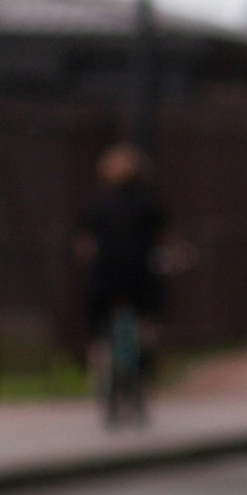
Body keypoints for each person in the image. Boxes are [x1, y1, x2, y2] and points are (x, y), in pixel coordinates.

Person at [75, 143, 169, 427]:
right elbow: (164, 242)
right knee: (147, 330)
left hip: (105, 279)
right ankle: (140, 379)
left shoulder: (97, 205)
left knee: (100, 334)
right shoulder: (149, 204)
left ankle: (103, 377)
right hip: (139, 280)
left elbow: (84, 245)